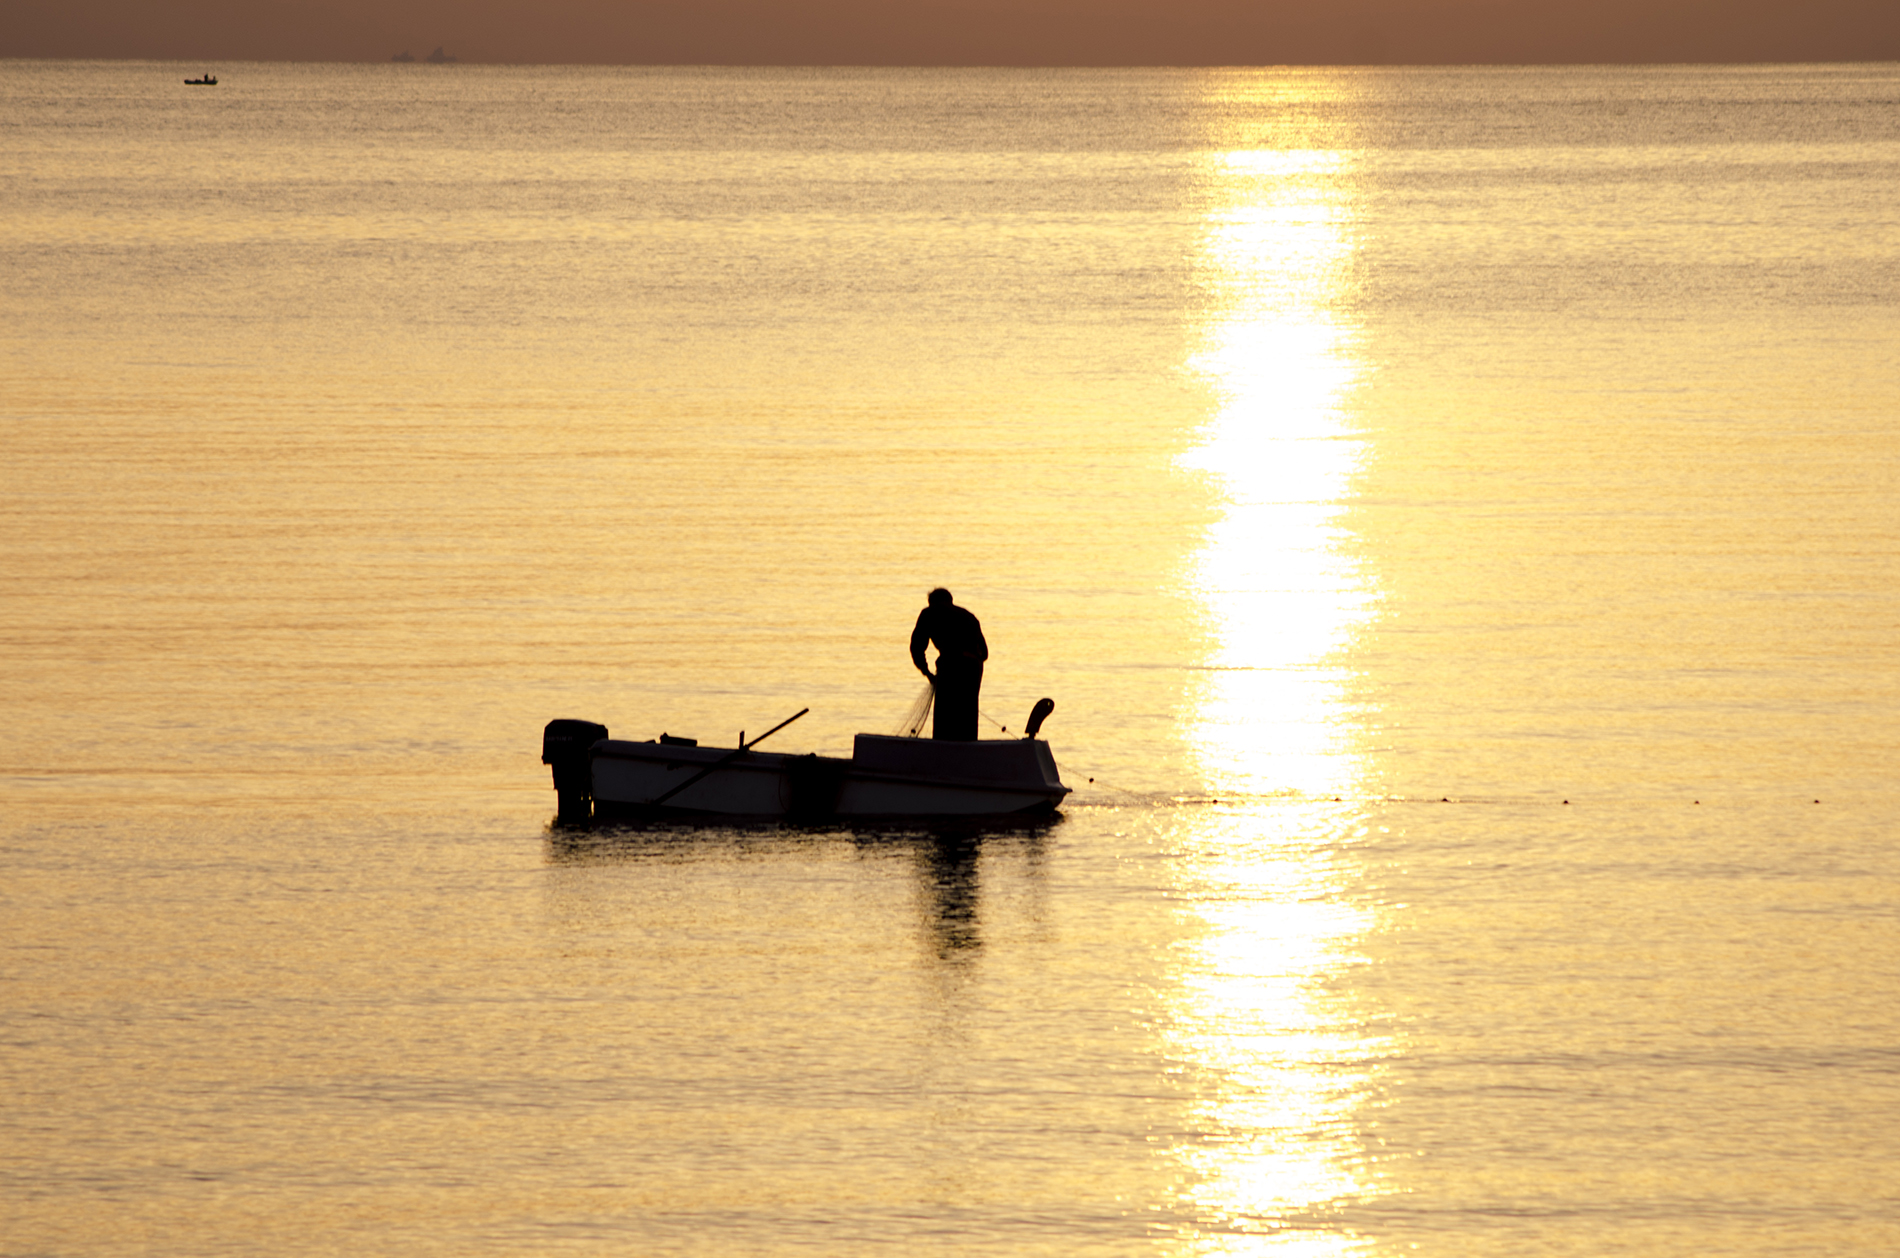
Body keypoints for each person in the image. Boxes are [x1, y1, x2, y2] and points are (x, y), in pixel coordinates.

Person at [910, 588, 988, 741]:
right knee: (968, 712)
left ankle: (943, 749)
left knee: (945, 715)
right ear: (950, 601)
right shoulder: (969, 616)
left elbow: (916, 647)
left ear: (932, 602)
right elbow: (984, 653)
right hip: (973, 667)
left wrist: (926, 672)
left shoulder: (929, 613)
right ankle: (969, 748)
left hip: (950, 665)